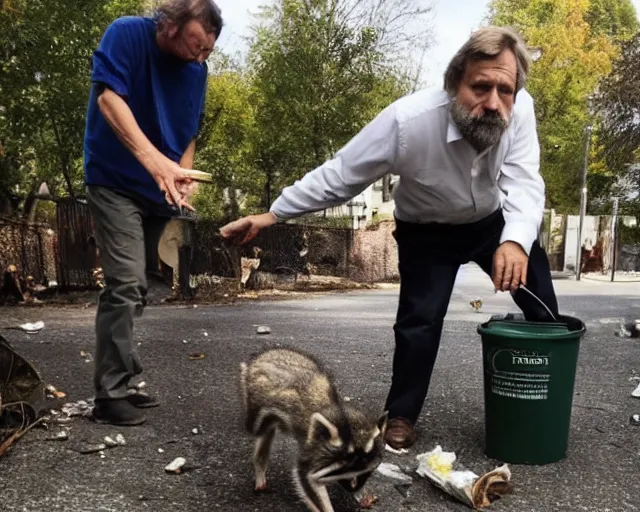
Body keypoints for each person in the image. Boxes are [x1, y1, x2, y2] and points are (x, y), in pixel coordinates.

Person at [219, 25, 559, 449]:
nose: (493, 103)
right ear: (455, 83)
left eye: (504, 90)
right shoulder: (407, 122)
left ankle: (546, 401)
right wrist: (272, 214)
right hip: (427, 231)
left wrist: (515, 240)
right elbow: (341, 176)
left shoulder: (518, 111)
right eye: (480, 86)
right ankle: (401, 415)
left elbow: (525, 181)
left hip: (492, 224)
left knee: (544, 304)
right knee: (419, 322)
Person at [83, 0, 223, 426]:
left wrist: (181, 174)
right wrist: (154, 162)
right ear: (169, 25)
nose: (200, 58)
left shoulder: (197, 71)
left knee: (140, 287)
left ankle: (122, 379)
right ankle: (109, 396)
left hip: (159, 191)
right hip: (114, 181)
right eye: (195, 46)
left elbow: (188, 131)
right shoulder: (127, 33)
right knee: (125, 282)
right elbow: (109, 100)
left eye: (208, 53)